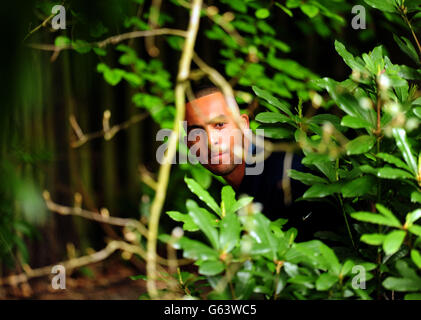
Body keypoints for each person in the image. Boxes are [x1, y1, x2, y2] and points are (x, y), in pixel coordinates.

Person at [184, 85, 341, 241]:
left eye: (219, 125)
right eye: (197, 132)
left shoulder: (287, 175)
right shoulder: (237, 193)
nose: (211, 141)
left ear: (243, 125)